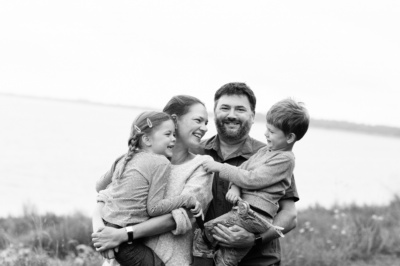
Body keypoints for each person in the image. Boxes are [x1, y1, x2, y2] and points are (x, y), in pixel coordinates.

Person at [92, 95, 214, 266]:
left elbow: (179, 218)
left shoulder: (202, 166)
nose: (205, 128)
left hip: (168, 260)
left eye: (206, 123)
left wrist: (120, 235)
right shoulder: (139, 159)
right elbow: (104, 197)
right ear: (174, 121)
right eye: (198, 120)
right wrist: (101, 235)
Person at [191, 82, 300, 266]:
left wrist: (255, 238)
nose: (231, 115)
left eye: (240, 109)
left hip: (258, 260)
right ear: (215, 111)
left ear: (252, 116)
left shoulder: (273, 156)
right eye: (225, 108)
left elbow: (290, 216)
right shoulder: (196, 152)